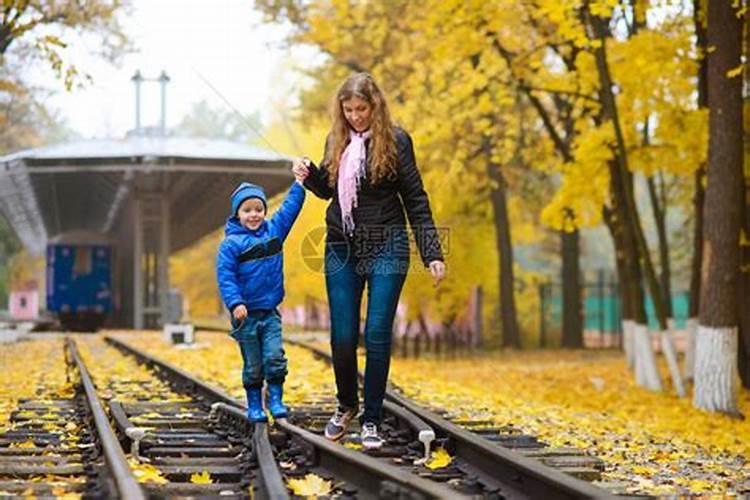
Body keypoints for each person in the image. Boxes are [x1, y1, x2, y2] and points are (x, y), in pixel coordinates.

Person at [293, 72, 445, 449]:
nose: (356, 116)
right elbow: (328, 188)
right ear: (341, 110)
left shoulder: (396, 140)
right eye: (349, 110)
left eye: (362, 109)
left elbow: (415, 198)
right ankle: (346, 405)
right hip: (342, 246)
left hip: (386, 243)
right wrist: (310, 174)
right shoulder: (337, 139)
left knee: (377, 333)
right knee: (343, 335)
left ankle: (372, 419)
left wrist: (432, 252)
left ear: (374, 106)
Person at [216, 176, 305, 423]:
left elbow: (289, 210)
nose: (253, 215)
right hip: (245, 317)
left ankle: (275, 399)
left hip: (270, 313)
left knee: (275, 357)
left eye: (258, 209)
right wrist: (236, 303)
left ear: (265, 211)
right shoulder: (230, 245)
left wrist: (299, 184)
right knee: (253, 365)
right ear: (237, 214)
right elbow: (226, 277)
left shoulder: (274, 233)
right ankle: (254, 403)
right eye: (247, 210)